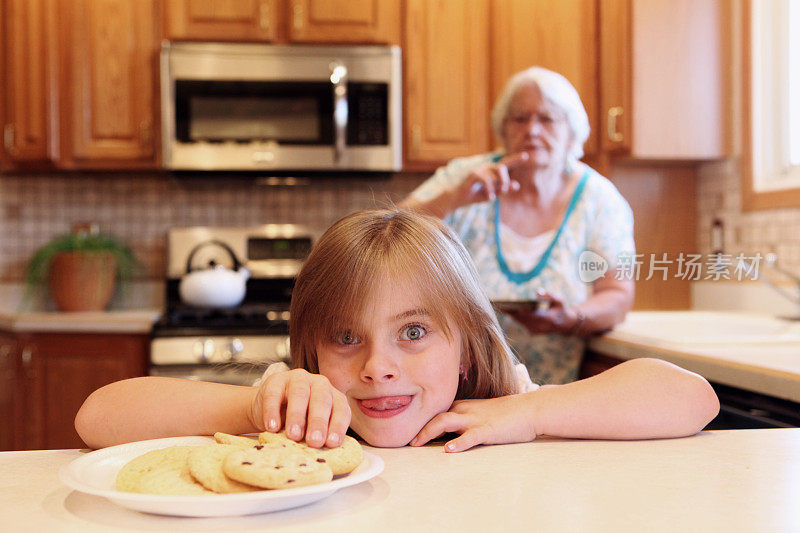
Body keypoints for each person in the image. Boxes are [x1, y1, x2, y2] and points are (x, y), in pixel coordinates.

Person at [76, 209, 718, 453]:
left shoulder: (505, 407)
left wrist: (529, 412)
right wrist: (254, 403)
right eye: (347, 338)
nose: (377, 366)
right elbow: (96, 416)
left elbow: (693, 399)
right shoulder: (298, 420)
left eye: (413, 333)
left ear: (467, 345)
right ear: (311, 354)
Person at [399, 66, 635, 385]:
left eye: (547, 119)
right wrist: (453, 199)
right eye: (520, 119)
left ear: (572, 132)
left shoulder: (600, 200)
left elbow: (618, 294)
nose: (533, 130)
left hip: (553, 394)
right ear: (503, 129)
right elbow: (387, 230)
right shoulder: (467, 177)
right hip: (456, 389)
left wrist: (572, 319)